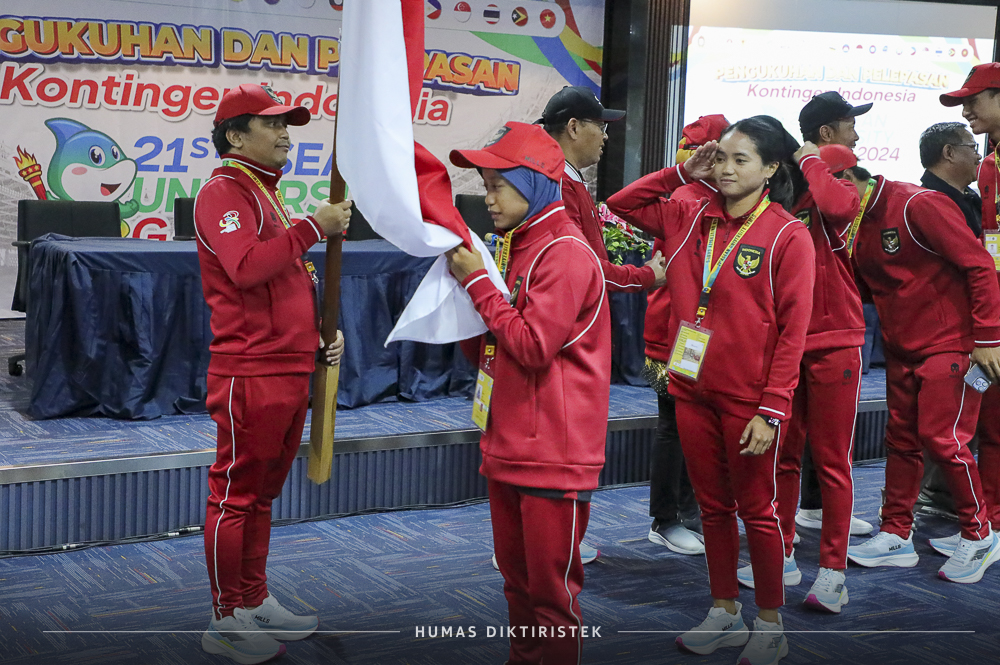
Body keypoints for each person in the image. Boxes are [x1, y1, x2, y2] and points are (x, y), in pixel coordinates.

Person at [608, 115, 816, 665]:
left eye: (740, 160)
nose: (725, 169)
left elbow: (794, 332)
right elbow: (622, 203)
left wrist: (772, 409)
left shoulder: (787, 235)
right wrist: (682, 172)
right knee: (713, 508)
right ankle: (724, 610)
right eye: (720, 157)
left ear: (770, 169)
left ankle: (770, 624)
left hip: (749, 400)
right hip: (691, 387)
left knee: (758, 511)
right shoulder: (688, 212)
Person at [194, 83, 351, 664]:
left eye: (288, 124)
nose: (286, 134)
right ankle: (223, 619)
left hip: (286, 368)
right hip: (250, 372)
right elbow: (245, 268)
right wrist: (313, 228)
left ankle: (253, 600)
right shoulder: (223, 191)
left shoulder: (265, 191)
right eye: (273, 124)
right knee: (235, 497)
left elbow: (285, 280)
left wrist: (318, 338)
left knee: (261, 496)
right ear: (236, 136)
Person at [446, 121, 611, 665]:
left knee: (550, 598)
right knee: (517, 587)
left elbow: (535, 347)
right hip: (510, 441)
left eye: (498, 185)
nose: (487, 198)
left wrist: (478, 285)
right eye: (485, 185)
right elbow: (494, 348)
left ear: (535, 183)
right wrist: (466, 300)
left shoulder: (565, 251)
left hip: (552, 454)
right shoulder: (518, 244)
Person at [836, 144, 1000, 583]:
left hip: (951, 344)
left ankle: (979, 535)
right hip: (902, 348)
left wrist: (987, 340)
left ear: (848, 180)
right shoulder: (851, 223)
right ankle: (896, 534)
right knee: (902, 441)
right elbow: (870, 289)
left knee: (944, 439)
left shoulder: (918, 203)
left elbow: (979, 266)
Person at [641, 114, 730, 556]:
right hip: (672, 334)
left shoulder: (725, 197)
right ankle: (666, 519)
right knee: (673, 427)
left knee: (697, 427)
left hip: (705, 334)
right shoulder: (685, 198)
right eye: (724, 155)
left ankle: (691, 513)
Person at [788, 91, 875, 540]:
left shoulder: (832, 175)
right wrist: (806, 162)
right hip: (787, 332)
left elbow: (839, 207)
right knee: (784, 450)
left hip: (833, 329)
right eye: (850, 124)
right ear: (826, 132)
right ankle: (780, 547)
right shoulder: (785, 176)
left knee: (831, 451)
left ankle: (828, 554)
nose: (856, 135)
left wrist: (811, 163)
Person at [936, 66, 1000, 556]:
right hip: (993, 304)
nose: (965, 112)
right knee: (991, 423)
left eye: (973, 100)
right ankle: (992, 522)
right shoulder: (990, 163)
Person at [914, 121, 984, 521]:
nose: (978, 154)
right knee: (943, 431)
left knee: (966, 422)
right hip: (952, 338)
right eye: (972, 147)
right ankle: (973, 522)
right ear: (949, 153)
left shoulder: (969, 198)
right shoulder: (926, 203)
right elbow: (977, 267)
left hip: (976, 331)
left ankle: (949, 500)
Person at [539, 85, 667, 293]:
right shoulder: (558, 186)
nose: (605, 136)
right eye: (601, 126)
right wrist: (645, 276)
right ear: (573, 128)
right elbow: (582, 267)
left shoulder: (568, 180)